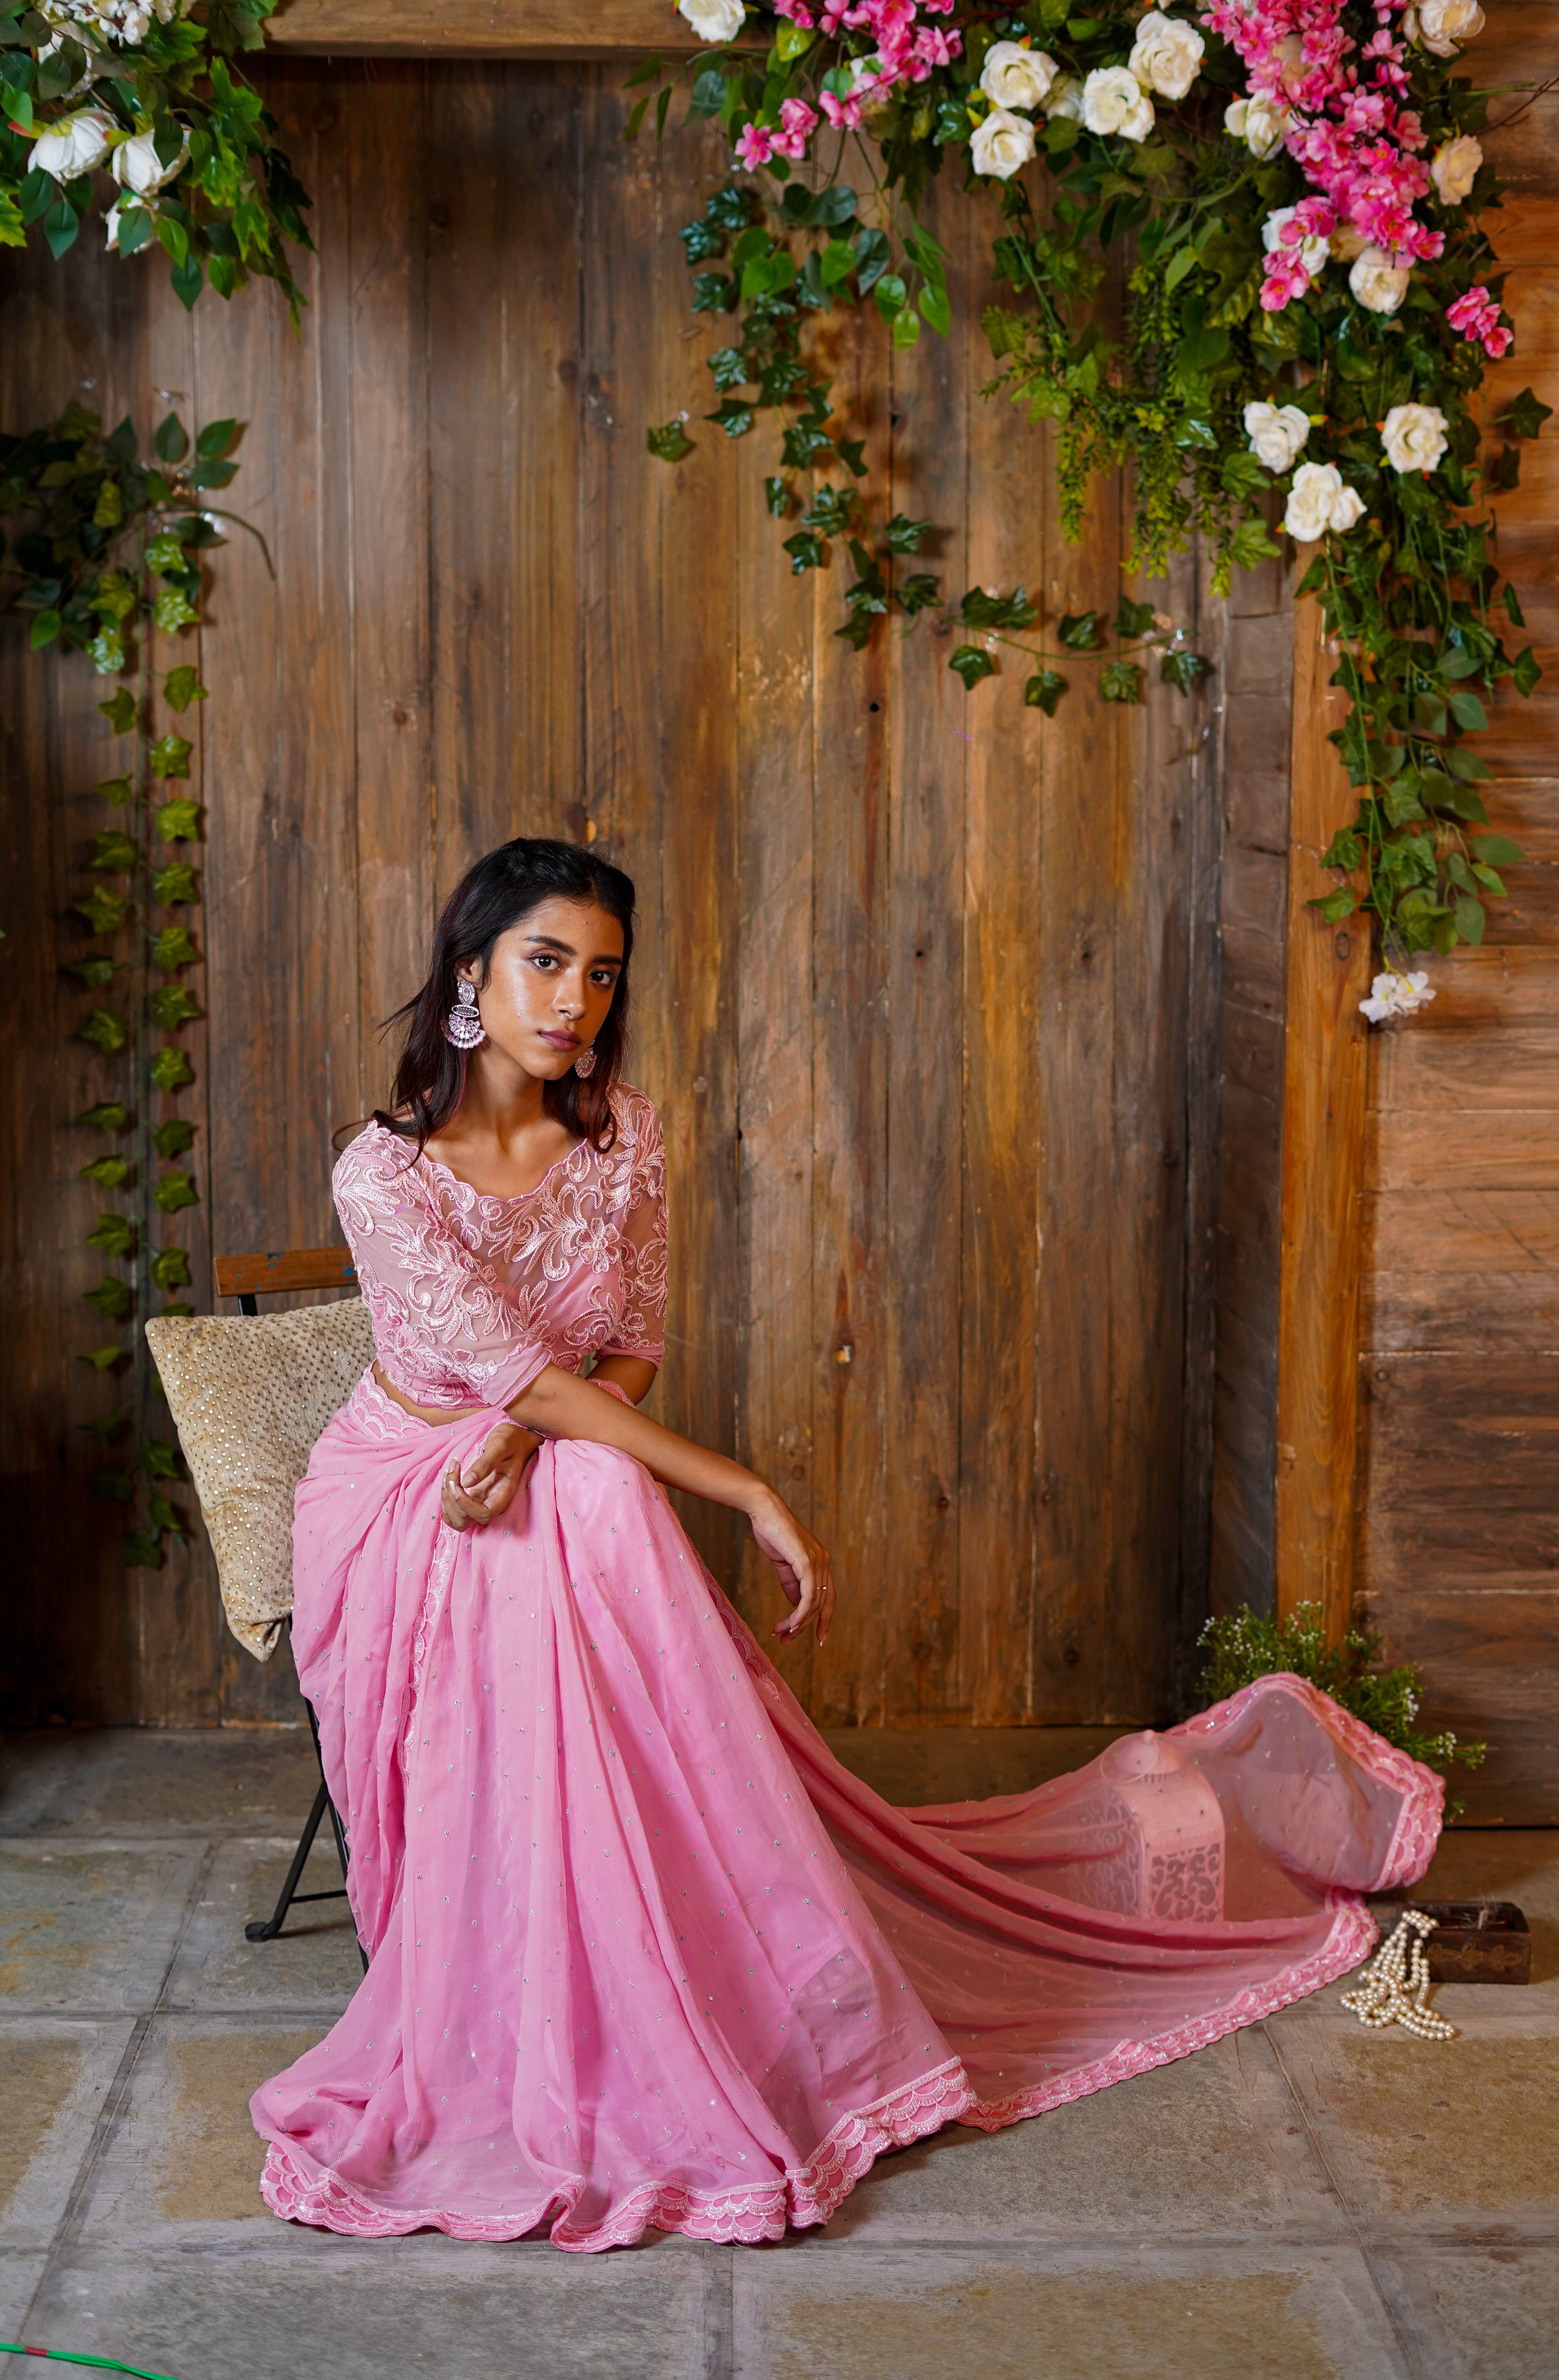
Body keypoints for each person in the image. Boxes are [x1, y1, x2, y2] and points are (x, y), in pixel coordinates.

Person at [251, 836, 1442, 2253]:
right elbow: (521, 1379)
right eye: (545, 962)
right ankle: (598, 1977)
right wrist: (735, 1487)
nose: (574, 1000)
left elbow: (626, 1351)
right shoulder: (383, 1174)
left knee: (595, 1493)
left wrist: (535, 1440)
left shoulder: (629, 1131)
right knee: (604, 1497)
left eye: (602, 973)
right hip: (397, 1494)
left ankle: (688, 1967)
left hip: (556, 1460)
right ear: (472, 973)